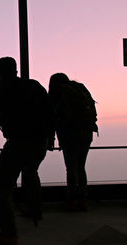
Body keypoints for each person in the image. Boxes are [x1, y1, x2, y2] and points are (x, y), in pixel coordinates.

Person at [0, 57, 54, 245]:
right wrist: (50, 140)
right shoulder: (34, 86)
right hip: (39, 143)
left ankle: (8, 236)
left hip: (18, 143)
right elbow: (50, 112)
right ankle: (35, 210)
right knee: (31, 173)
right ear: (16, 70)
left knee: (1, 190)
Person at [48, 73, 97, 211]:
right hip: (86, 133)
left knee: (71, 168)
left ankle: (71, 201)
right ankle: (83, 201)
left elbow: (53, 117)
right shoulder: (79, 89)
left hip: (69, 135)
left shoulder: (58, 94)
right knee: (81, 167)